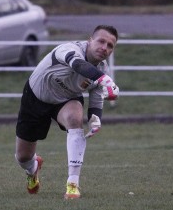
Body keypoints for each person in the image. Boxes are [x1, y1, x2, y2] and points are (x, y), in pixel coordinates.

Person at [14, 25, 120, 199]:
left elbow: (96, 97)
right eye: (101, 41)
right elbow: (78, 65)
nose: (105, 48)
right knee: (23, 156)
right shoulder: (69, 49)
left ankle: (73, 184)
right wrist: (105, 80)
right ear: (90, 40)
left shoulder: (101, 69)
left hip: (66, 99)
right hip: (36, 96)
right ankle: (33, 168)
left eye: (110, 45)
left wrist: (95, 120)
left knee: (75, 119)